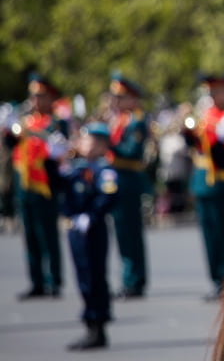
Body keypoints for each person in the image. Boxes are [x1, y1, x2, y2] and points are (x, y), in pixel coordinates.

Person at [3, 73, 70, 300]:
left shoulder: (56, 122)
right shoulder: (26, 121)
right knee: (29, 235)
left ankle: (54, 280)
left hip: (46, 186)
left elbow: (57, 144)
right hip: (25, 185)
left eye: (40, 96)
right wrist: (9, 128)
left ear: (50, 97)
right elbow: (11, 144)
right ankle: (37, 281)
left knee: (47, 234)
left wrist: (26, 132)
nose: (34, 100)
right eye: (32, 96)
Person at [184, 74, 224, 301]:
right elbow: (193, 144)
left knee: (222, 233)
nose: (214, 96)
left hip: (221, 182)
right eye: (211, 93)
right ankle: (216, 280)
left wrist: (222, 138)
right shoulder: (205, 117)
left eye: (218, 92)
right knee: (209, 235)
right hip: (202, 181)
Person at [61, 122, 119, 350]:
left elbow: (109, 196)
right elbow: (58, 186)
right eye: (84, 139)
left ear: (103, 145)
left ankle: (97, 326)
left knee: (94, 276)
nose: (86, 144)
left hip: (93, 229)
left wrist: (92, 216)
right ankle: (91, 324)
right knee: (82, 276)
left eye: (92, 140)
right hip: (75, 228)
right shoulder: (76, 168)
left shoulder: (104, 170)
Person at [105, 73, 150, 299]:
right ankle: (128, 279)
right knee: (122, 234)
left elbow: (132, 152)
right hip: (116, 181)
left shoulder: (137, 121)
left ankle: (135, 280)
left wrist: (107, 145)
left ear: (132, 99)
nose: (114, 101)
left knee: (131, 234)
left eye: (120, 97)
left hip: (129, 180)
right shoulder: (119, 120)